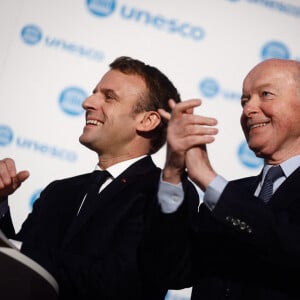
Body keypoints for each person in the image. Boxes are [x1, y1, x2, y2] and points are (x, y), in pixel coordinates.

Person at [0, 56, 188, 300]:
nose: (87, 103)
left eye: (109, 97)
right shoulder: (59, 192)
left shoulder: (164, 193)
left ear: (147, 120)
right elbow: (15, 269)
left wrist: (24, 250)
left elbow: (123, 281)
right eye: (94, 93)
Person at [141, 58, 300, 299]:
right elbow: (173, 272)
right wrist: (173, 173)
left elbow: (288, 244)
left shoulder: (223, 195)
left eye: (265, 94)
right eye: (244, 101)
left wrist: (207, 177)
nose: (248, 109)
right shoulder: (230, 195)